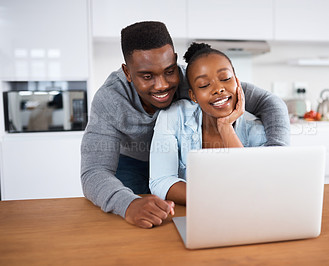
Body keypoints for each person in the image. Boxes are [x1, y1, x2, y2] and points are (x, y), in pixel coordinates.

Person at [81, 21, 290, 229]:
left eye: (169, 71)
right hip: (133, 161)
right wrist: (128, 204)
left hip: (176, 162)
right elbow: (94, 171)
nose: (162, 85)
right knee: (136, 224)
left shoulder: (197, 80)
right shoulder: (110, 99)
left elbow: (270, 103)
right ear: (127, 73)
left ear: (174, 61)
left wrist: (276, 157)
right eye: (147, 76)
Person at [149, 42, 274, 204]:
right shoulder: (173, 116)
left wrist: (225, 127)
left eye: (225, 78)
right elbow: (161, 181)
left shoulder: (256, 128)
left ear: (237, 82)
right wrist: (214, 199)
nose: (218, 89)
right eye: (204, 85)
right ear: (193, 96)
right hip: (195, 214)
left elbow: (258, 185)